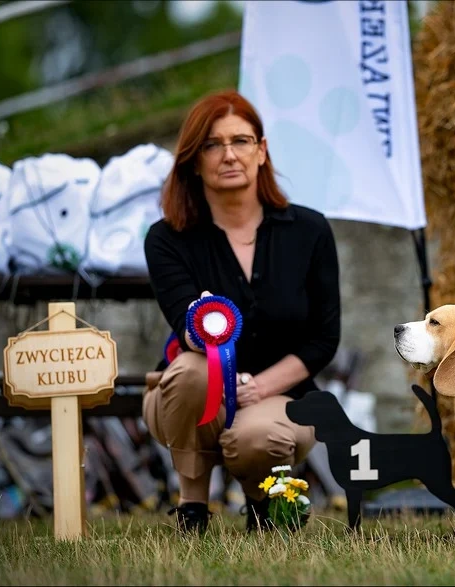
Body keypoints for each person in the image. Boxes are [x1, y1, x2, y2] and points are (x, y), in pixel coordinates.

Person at [143, 89, 341, 535]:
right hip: (190, 398)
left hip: (280, 398)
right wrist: (203, 326)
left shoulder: (309, 230)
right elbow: (183, 326)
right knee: (193, 370)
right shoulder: (166, 238)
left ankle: (262, 504)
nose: (228, 155)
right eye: (212, 144)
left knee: (256, 438)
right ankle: (192, 505)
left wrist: (258, 388)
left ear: (262, 150)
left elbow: (324, 339)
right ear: (194, 160)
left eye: (241, 141)